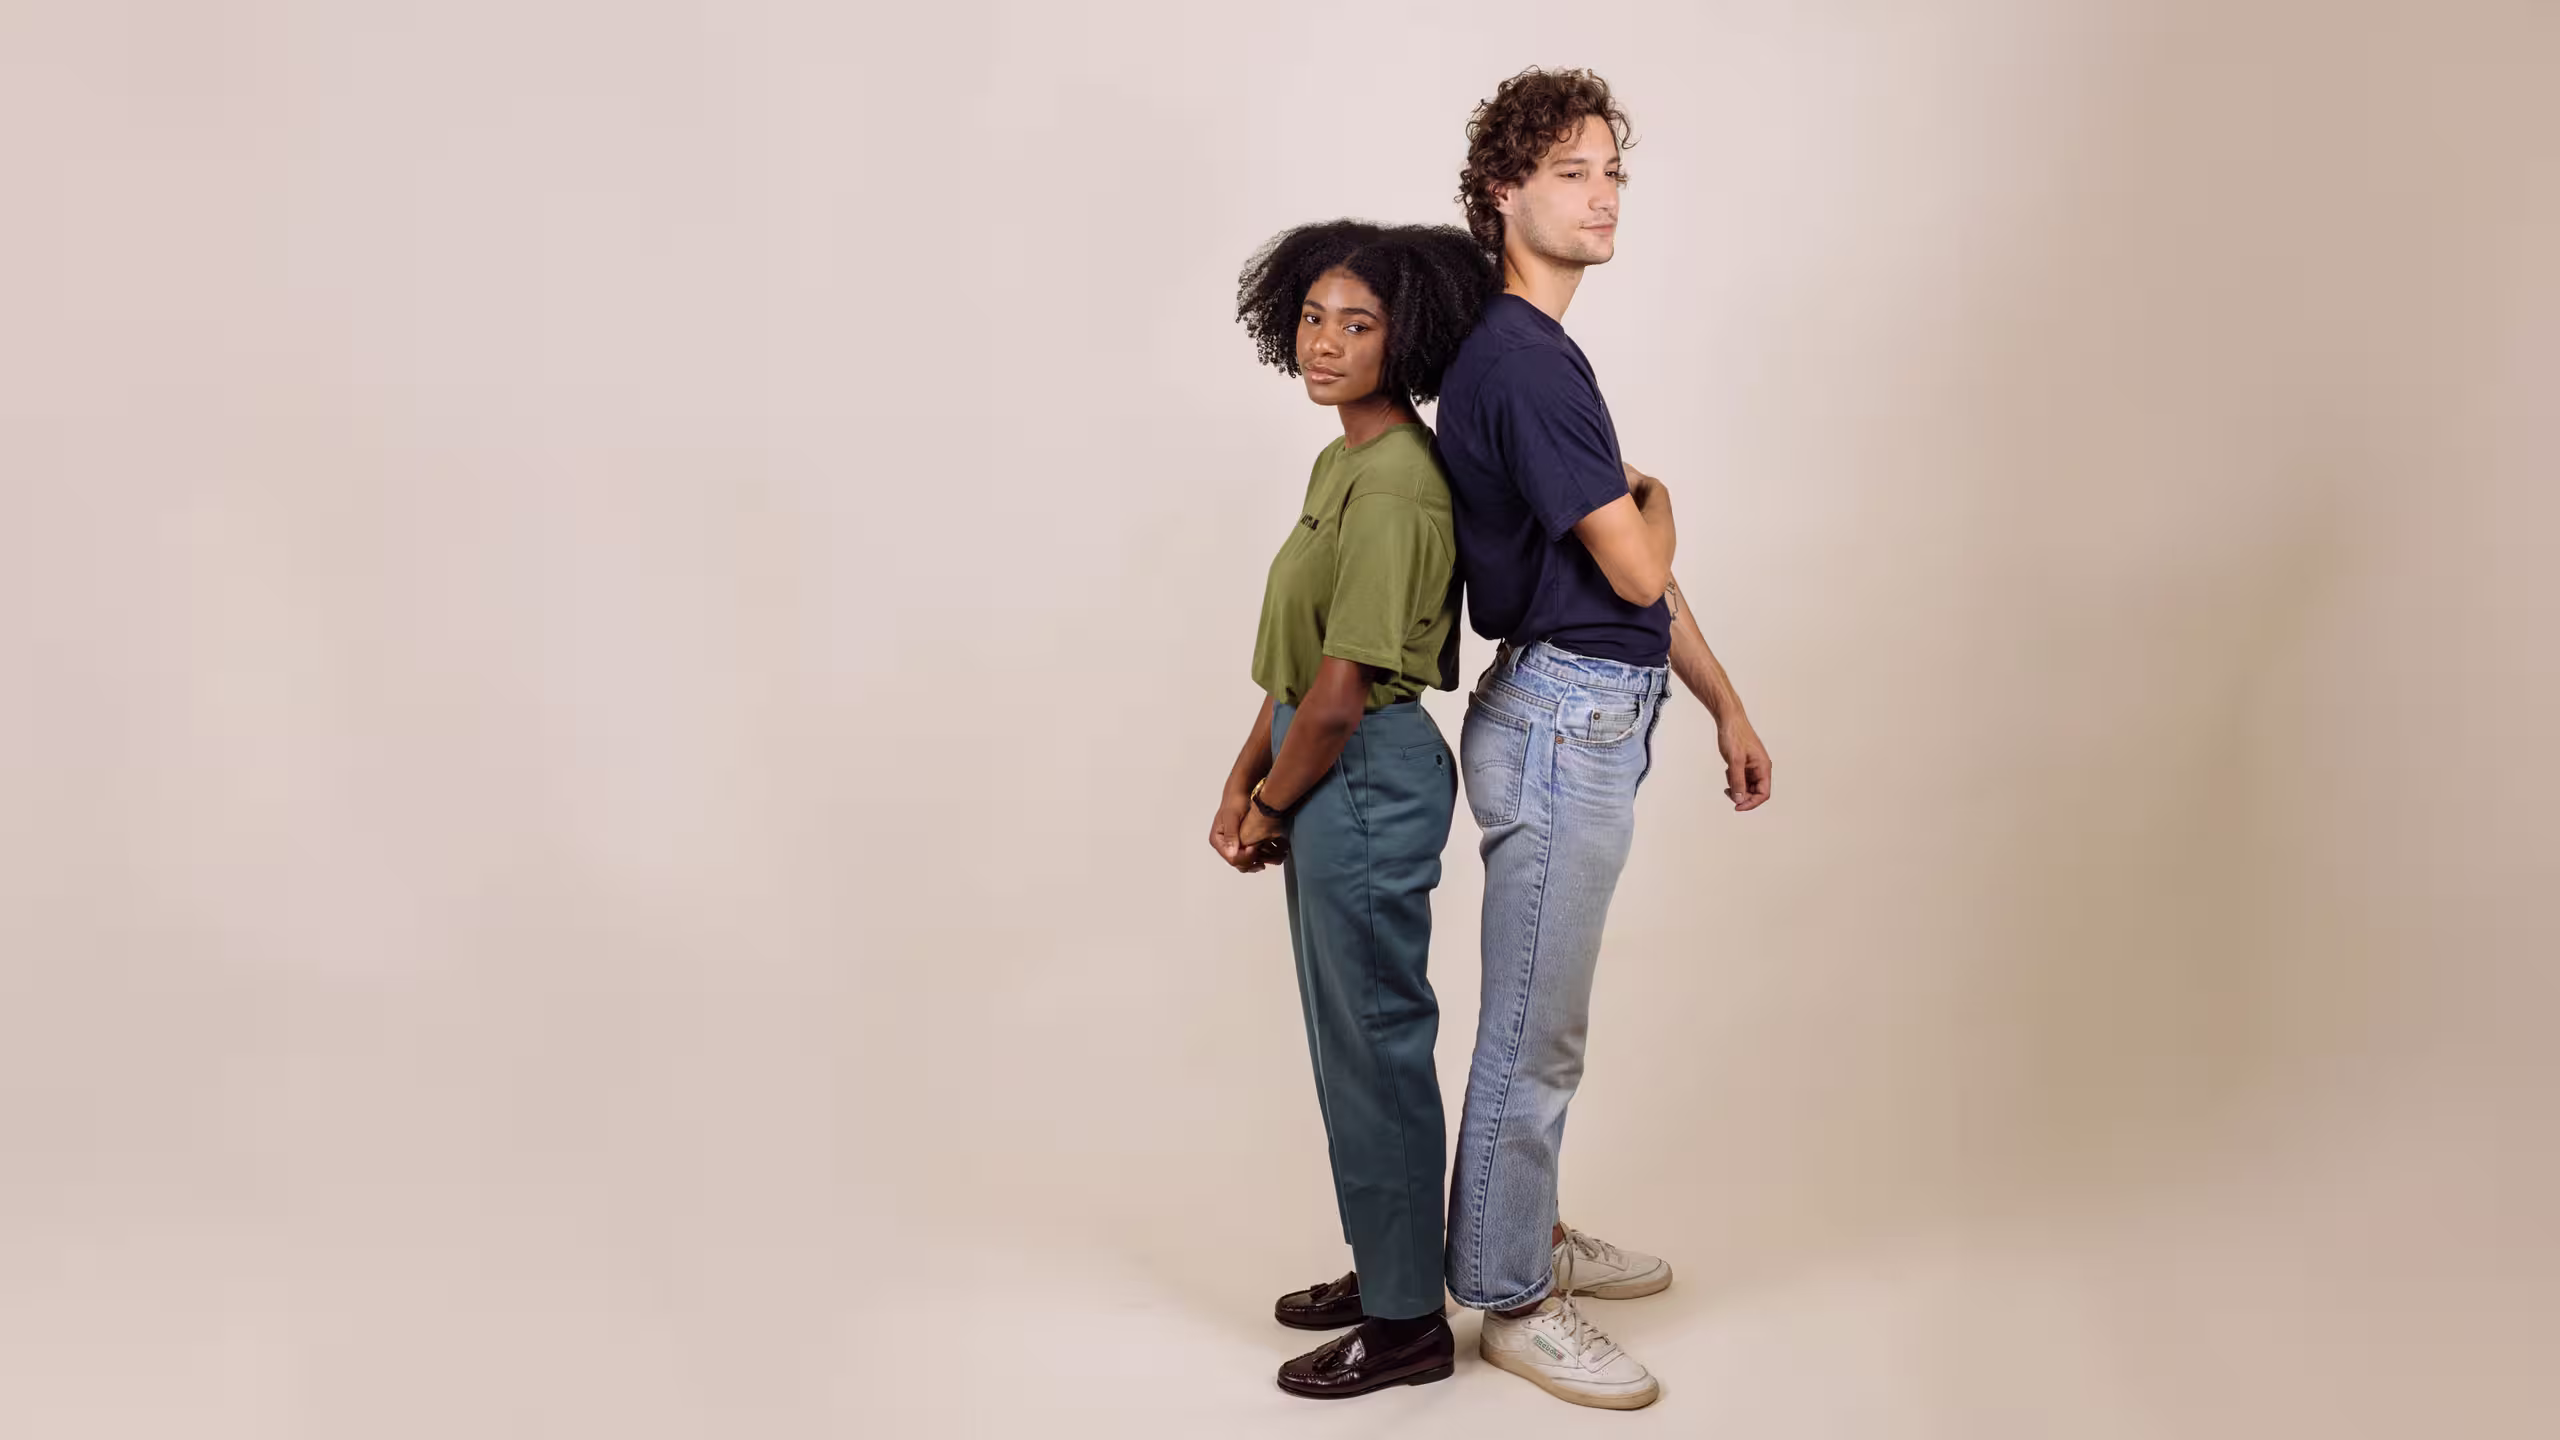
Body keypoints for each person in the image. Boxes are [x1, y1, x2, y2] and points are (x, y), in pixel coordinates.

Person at [1433, 68, 1775, 1410]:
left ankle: (1524, 1232)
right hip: (1562, 720)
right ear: (1504, 194)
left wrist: (1725, 703)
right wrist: (1659, 498)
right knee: (1534, 1024)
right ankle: (1512, 1296)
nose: (1602, 194)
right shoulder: (1521, 358)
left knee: (1545, 1015)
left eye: (1611, 173)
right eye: (1572, 172)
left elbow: (1628, 566)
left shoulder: (1540, 358)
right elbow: (1633, 568)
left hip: (1593, 707)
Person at [1210, 220, 1499, 1399]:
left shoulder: (1399, 486)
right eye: (1314, 316)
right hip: (1315, 759)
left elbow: (1340, 692)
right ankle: (1386, 1266)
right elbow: (1298, 668)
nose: (1324, 341)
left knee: (1378, 1045)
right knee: (1349, 1042)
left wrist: (1272, 800)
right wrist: (1243, 773)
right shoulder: (1341, 462)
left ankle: (1405, 1329)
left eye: (1358, 323)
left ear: (1407, 336)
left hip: (1362, 774)